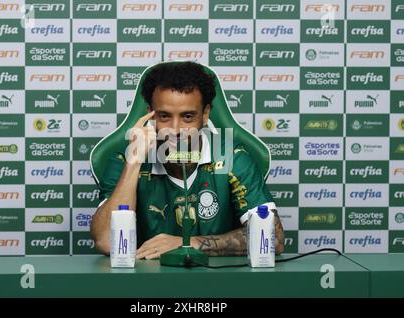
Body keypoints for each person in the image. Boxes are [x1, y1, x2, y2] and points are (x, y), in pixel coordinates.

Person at [91, 61, 284, 259]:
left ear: (206, 114)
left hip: (218, 281)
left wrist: (188, 244)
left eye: (188, 117)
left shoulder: (232, 157)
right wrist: (133, 163)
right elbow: (107, 241)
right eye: (164, 116)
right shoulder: (125, 158)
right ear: (150, 114)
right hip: (147, 282)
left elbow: (273, 238)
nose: (175, 130)